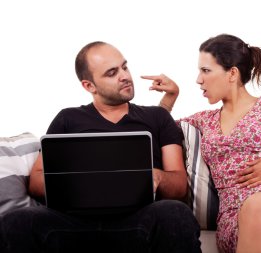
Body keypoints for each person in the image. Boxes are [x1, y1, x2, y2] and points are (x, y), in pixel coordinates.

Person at [0, 41, 201, 253]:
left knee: (176, 213)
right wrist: (80, 181)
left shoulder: (157, 117)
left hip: (137, 222)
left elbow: (179, 186)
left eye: (124, 67)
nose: (124, 75)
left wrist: (157, 176)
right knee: (16, 221)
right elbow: (36, 181)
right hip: (73, 225)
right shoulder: (68, 118)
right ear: (89, 86)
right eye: (112, 72)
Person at [143, 34, 261, 253]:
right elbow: (158, 130)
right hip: (235, 213)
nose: (198, 79)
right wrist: (170, 97)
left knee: (260, 206)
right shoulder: (204, 120)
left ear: (232, 73)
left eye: (206, 70)